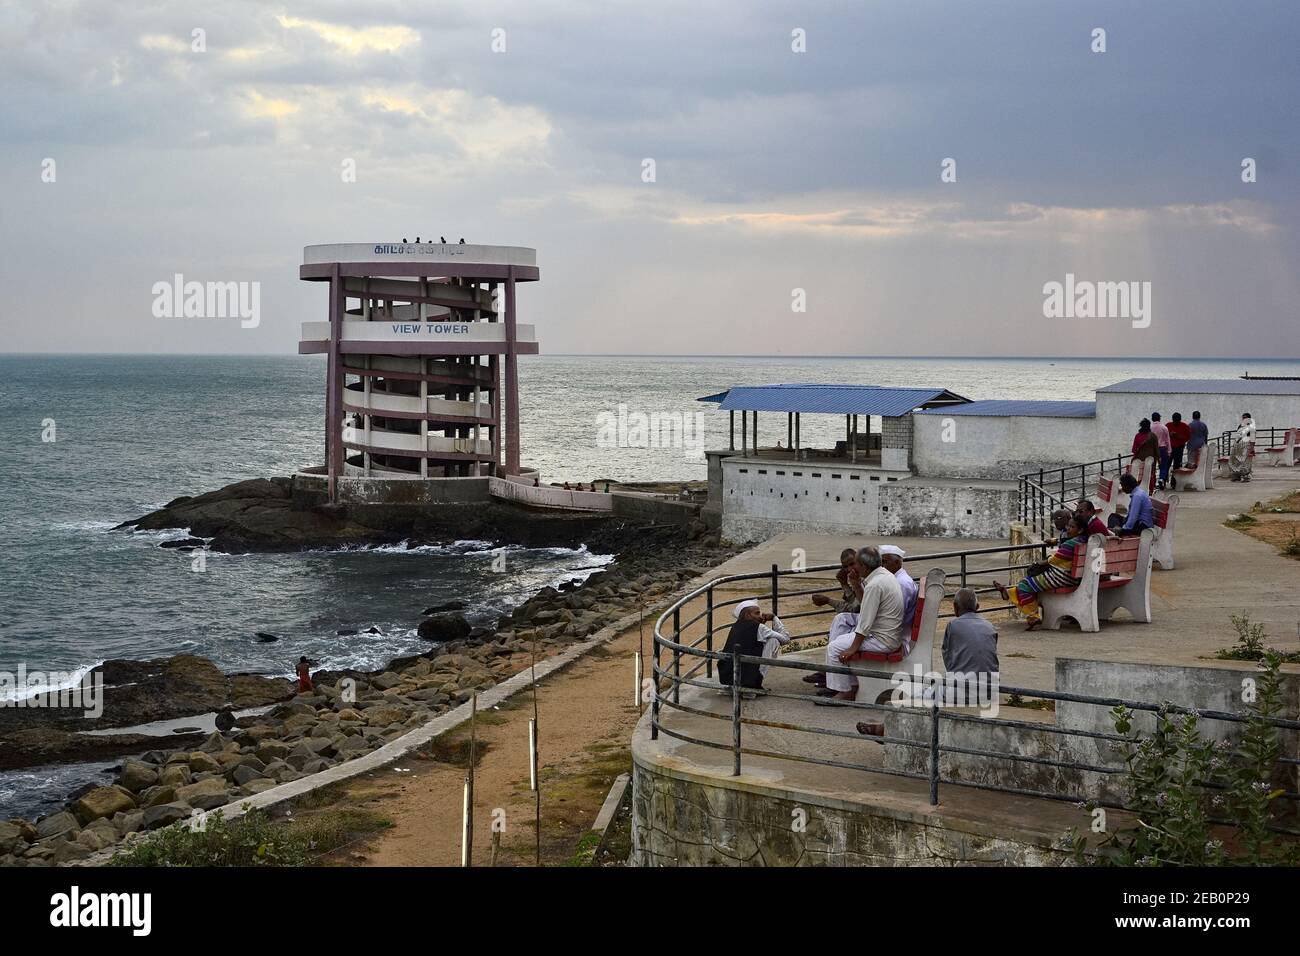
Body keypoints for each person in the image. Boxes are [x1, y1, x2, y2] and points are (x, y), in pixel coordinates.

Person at [821, 547, 905, 700]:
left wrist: (853, 648)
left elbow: (865, 623)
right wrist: (855, 584)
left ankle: (846, 690)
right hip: (886, 634)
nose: (853, 569)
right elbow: (866, 604)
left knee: (834, 648)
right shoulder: (884, 575)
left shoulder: (875, 585)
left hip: (883, 640)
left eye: (856, 564)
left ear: (864, 567)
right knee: (840, 635)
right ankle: (848, 685)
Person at [993, 515, 1088, 630]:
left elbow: (1055, 560)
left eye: (1072, 527)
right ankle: (1008, 593)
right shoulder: (1084, 539)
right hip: (1075, 576)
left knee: (1025, 585)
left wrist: (1041, 562)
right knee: (1030, 583)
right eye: (1068, 525)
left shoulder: (1071, 544)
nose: (1068, 528)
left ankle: (1033, 615)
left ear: (1080, 529)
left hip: (1062, 577)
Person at [719, 599, 792, 688]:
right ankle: (756, 683)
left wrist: (761, 625)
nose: (760, 616)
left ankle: (742, 685)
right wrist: (774, 618)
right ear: (747, 615)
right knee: (774, 641)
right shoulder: (759, 628)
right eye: (757, 613)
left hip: (727, 677)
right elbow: (786, 639)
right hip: (746, 679)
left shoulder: (734, 626)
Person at [941, 588, 999, 679]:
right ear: (977, 607)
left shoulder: (953, 625)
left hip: (962, 687)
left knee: (926, 691)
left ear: (955, 607)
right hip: (991, 686)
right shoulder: (990, 626)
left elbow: (947, 656)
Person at [879, 545, 919, 634]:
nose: (881, 566)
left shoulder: (902, 583)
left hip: (896, 633)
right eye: (881, 563)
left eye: (884, 562)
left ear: (897, 563)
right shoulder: (898, 579)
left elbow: (897, 614)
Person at [811, 548, 860, 613]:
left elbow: (854, 608)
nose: (849, 569)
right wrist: (844, 584)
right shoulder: (854, 578)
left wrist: (828, 601)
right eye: (845, 567)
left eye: (852, 564)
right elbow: (854, 603)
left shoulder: (863, 579)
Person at [1130, 419, 1159, 492]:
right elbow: (1156, 449)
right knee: (1150, 475)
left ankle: (1139, 490)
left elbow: (1134, 450)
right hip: (1150, 459)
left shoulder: (1137, 436)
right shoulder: (1153, 436)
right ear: (1149, 426)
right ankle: (1151, 491)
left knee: (1139, 476)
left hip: (1139, 459)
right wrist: (1159, 459)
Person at [1230, 412, 1255, 482]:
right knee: (1234, 461)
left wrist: (1252, 448)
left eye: (1245, 418)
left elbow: (1252, 438)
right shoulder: (1240, 426)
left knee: (1244, 462)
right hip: (1237, 446)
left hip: (1246, 446)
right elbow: (1237, 436)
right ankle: (1236, 475)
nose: (1243, 419)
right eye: (1243, 418)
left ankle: (1246, 476)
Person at [1150, 412, 1172, 490]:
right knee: (1163, 466)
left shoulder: (1150, 428)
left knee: (1152, 466)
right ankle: (1161, 479)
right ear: (1159, 418)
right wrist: (1169, 451)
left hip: (1152, 449)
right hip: (1162, 448)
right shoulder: (1164, 427)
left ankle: (1152, 482)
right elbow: (1167, 440)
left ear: (1152, 418)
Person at [1167, 412, 1192, 483]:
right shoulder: (1168, 425)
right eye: (1175, 421)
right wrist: (1170, 434)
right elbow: (1165, 436)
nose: (1176, 423)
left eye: (1177, 421)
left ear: (1180, 420)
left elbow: (1188, 437)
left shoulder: (1185, 426)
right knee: (1167, 464)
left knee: (1177, 466)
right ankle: (1164, 480)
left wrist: (1178, 436)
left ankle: (1174, 481)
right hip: (1170, 448)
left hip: (1179, 448)